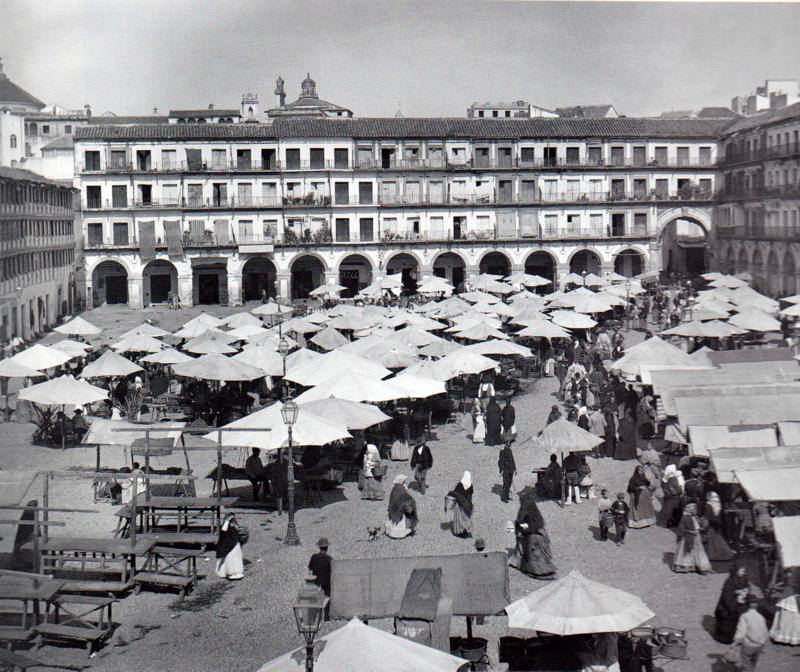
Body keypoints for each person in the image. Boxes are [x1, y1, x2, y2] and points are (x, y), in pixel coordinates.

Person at [515, 486, 557, 579]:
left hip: (532, 535)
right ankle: (547, 569)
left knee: (533, 555)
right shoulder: (533, 508)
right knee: (541, 554)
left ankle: (538, 571)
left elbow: (520, 521)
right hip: (541, 533)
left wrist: (519, 527)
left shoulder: (524, 508)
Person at [715, 564, 755, 644]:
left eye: (744, 571)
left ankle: (739, 636)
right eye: (741, 571)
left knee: (740, 619)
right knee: (727, 621)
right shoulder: (730, 580)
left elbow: (747, 587)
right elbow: (726, 594)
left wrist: (746, 591)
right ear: (736, 571)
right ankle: (725, 637)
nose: (743, 573)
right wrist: (735, 592)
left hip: (740, 603)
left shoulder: (744, 579)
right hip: (730, 603)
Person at [732, 596, 769, 671]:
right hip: (759, 645)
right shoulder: (761, 617)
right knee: (753, 662)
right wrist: (763, 644)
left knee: (745, 663)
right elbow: (765, 632)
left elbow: (741, 632)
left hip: (748, 644)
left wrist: (735, 643)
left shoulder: (745, 616)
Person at [672, 503, 711, 574]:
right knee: (685, 551)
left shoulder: (696, 517)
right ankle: (683, 566)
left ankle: (700, 566)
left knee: (698, 551)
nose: (695, 511)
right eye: (694, 509)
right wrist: (690, 531)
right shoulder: (685, 518)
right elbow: (681, 529)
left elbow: (699, 526)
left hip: (697, 537)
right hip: (687, 537)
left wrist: (701, 527)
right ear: (690, 510)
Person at [703, 491, 734, 562]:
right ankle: (720, 555)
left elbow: (708, 516)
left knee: (714, 541)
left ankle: (724, 555)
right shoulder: (716, 505)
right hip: (716, 524)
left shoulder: (708, 505)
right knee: (716, 540)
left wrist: (705, 525)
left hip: (711, 524)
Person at [384, 475, 418, 539]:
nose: (405, 481)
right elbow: (404, 497)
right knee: (402, 520)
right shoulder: (401, 488)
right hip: (400, 508)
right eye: (404, 480)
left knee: (393, 519)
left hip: (394, 507)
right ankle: (399, 534)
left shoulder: (395, 487)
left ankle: (391, 532)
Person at [215, 514, 244, 580]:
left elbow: (238, 531)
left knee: (236, 558)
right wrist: (227, 521)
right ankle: (230, 573)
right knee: (229, 558)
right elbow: (224, 530)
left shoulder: (234, 525)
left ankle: (237, 572)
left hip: (235, 544)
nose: (233, 522)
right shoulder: (226, 525)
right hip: (229, 545)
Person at [446, 471, 474, 538]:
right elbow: (471, 494)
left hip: (460, 505)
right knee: (466, 518)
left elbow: (455, 493)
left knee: (459, 519)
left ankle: (460, 532)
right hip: (467, 504)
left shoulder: (460, 485)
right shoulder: (470, 485)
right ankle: (466, 531)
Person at [308, 537, 332, 610]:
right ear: (327, 548)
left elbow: (310, 568)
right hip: (326, 586)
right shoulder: (329, 559)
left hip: (316, 584)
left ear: (319, 547)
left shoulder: (314, 557)